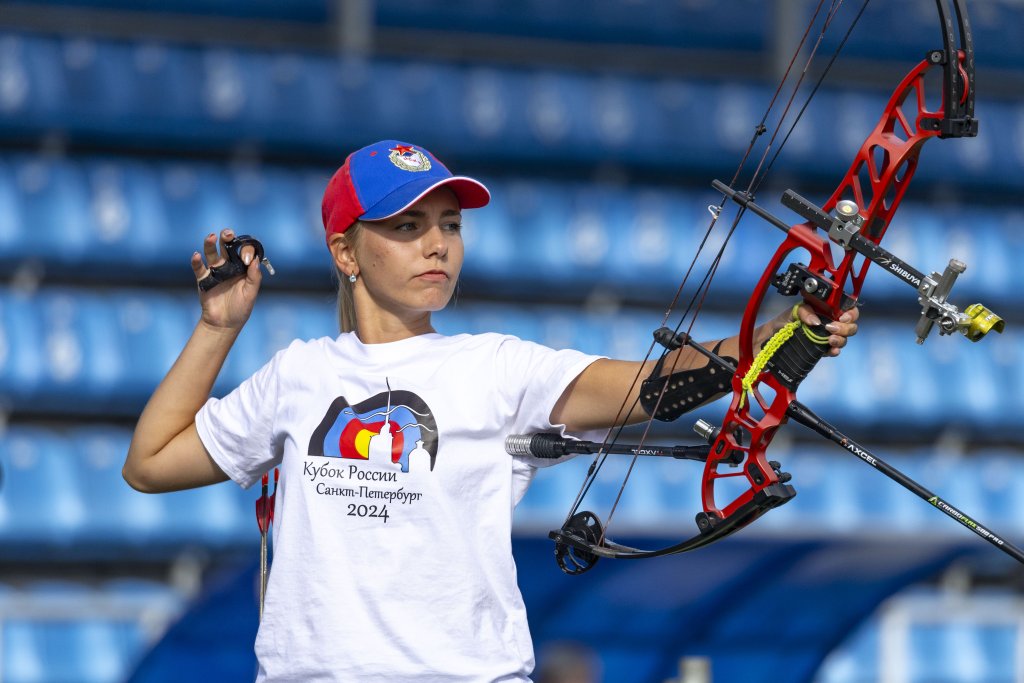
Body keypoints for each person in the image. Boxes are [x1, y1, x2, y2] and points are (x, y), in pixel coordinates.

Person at [122, 140, 858, 682]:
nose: (437, 243)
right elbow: (150, 463)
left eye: (449, 224)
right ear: (345, 252)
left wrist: (781, 334)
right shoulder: (299, 372)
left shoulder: (498, 366)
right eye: (406, 227)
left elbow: (651, 386)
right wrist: (219, 326)